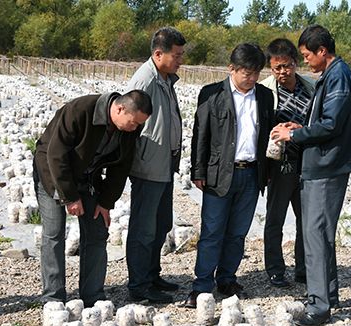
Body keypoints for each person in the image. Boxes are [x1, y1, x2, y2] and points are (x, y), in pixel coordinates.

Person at [271, 24, 351, 326]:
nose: (306, 61)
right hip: (324, 164)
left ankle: (319, 306)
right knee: (320, 235)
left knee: (314, 235)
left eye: (308, 55)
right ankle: (329, 295)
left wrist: (293, 136)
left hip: (326, 167)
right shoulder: (333, 75)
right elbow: (322, 121)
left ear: (322, 51)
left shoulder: (338, 76)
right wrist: (302, 127)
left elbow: (331, 125)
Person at [34, 90, 152, 307]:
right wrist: (69, 197)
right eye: (134, 122)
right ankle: (53, 298)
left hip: (88, 177)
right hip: (51, 172)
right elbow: (55, 155)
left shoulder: (129, 128)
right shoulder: (79, 110)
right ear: (119, 108)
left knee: (97, 232)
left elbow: (121, 167)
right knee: (54, 233)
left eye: (139, 125)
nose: (135, 128)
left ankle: (92, 296)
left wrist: (106, 202)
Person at [184, 43, 275, 308]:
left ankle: (226, 279)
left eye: (256, 72)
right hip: (219, 174)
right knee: (212, 231)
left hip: (250, 174)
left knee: (237, 233)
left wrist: (266, 172)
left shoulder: (265, 97)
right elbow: (200, 136)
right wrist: (198, 171)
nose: (252, 78)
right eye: (247, 72)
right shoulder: (212, 94)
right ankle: (202, 286)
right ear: (231, 69)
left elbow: (267, 137)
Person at [124, 27, 186, 303]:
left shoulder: (165, 79)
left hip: (164, 165)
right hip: (148, 167)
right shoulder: (145, 80)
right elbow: (129, 121)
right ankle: (138, 286)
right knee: (144, 228)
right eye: (176, 55)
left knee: (161, 224)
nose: (180, 60)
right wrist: (140, 157)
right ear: (158, 53)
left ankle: (152, 275)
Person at [261, 38, 314, 288]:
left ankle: (303, 269)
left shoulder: (311, 88)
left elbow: (320, 124)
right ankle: (275, 269)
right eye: (277, 68)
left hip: (307, 162)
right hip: (280, 164)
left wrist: (302, 129)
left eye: (287, 66)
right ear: (270, 68)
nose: (283, 72)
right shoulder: (265, 91)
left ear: (295, 63)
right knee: (275, 219)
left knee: (306, 220)